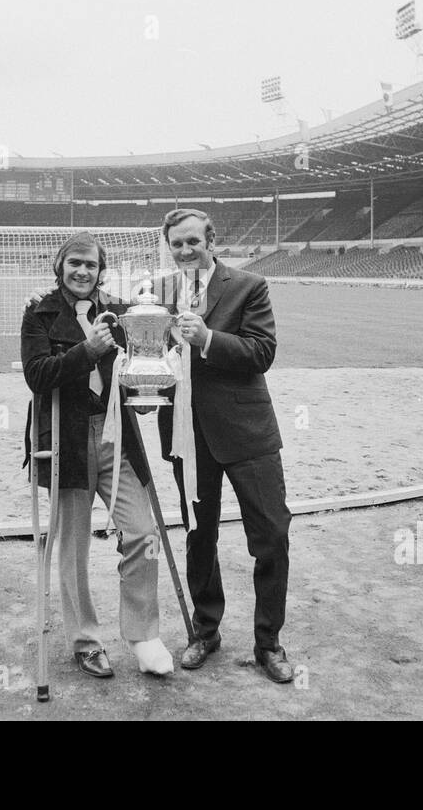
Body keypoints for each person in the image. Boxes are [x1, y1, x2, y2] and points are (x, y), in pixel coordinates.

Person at [20, 232, 173, 679]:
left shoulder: (123, 311)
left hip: (115, 435)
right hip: (66, 437)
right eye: (75, 263)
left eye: (90, 264)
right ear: (60, 266)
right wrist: (88, 351)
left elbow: (141, 360)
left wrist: (149, 391)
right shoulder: (40, 312)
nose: (82, 271)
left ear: (101, 270)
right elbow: (37, 375)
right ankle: (85, 641)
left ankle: (144, 637)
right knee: (73, 547)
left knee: (143, 532)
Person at [155, 208, 295, 684]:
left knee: (272, 535)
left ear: (210, 240)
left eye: (193, 241)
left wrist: (211, 338)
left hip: (247, 432)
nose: (185, 250)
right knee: (200, 535)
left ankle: (268, 643)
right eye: (177, 243)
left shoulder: (248, 285)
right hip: (187, 435)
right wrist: (42, 296)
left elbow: (263, 352)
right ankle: (206, 630)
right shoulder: (159, 293)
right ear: (168, 246)